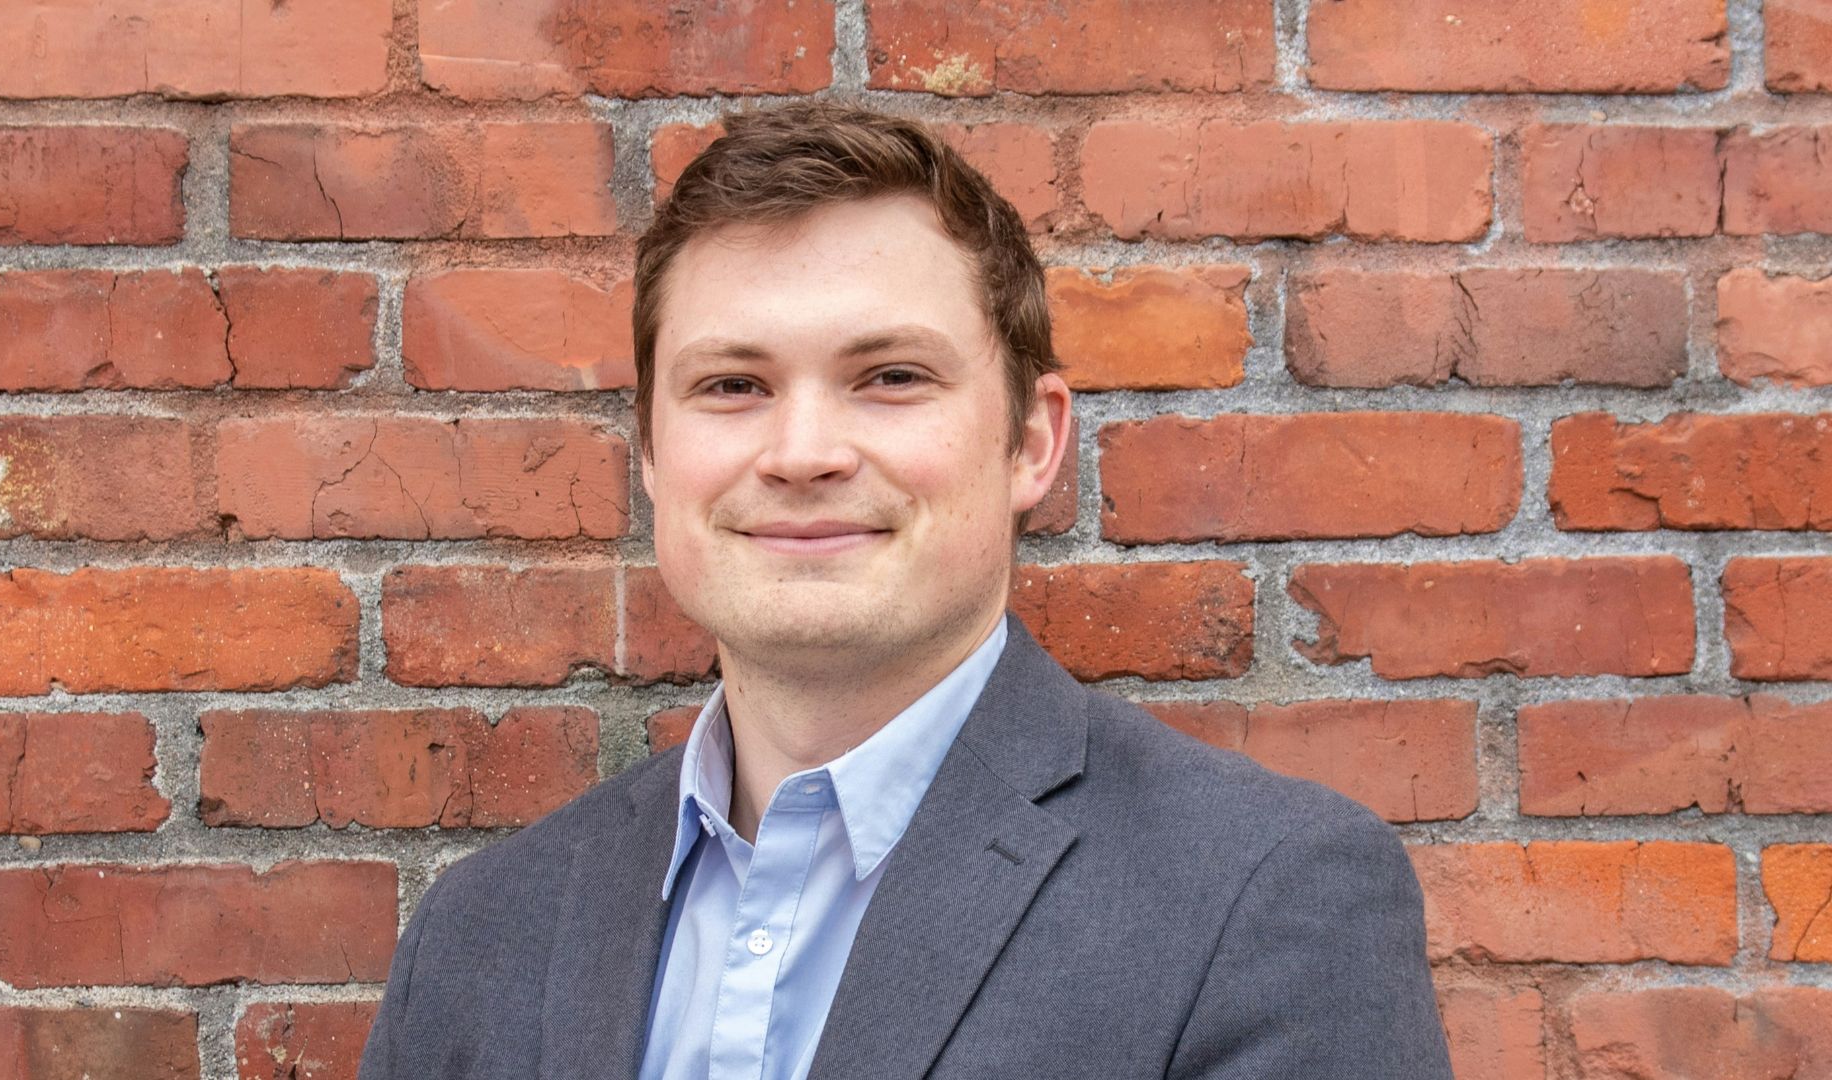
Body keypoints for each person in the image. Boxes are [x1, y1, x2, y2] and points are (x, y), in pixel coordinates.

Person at [358, 102, 1454, 1080]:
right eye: (731, 385)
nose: (801, 452)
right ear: (649, 454)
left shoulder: (1262, 900)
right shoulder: (479, 936)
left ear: (1031, 442)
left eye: (890, 377)